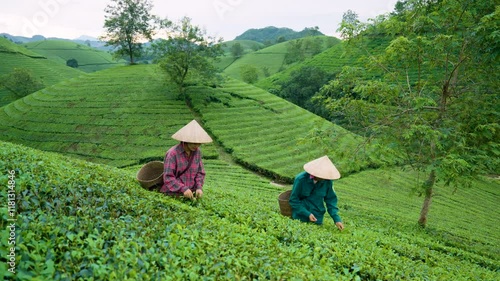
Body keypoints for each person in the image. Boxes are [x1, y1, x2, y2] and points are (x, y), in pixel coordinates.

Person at [160, 120, 213, 200]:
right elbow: (168, 177)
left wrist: (199, 187)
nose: (197, 146)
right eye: (194, 143)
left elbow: (200, 172)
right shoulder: (172, 154)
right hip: (172, 194)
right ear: (185, 140)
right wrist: (183, 188)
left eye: (199, 143)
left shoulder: (197, 152)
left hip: (190, 194)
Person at [289, 155, 344, 230]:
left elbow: (330, 200)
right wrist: (307, 214)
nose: (323, 178)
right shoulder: (301, 179)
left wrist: (336, 219)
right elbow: (293, 200)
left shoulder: (327, 182)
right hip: (300, 215)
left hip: (317, 216)